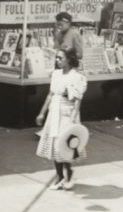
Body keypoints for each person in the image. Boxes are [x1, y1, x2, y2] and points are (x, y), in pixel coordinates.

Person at [35, 48, 87, 190]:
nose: (57, 61)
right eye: (56, 58)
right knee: (53, 144)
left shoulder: (76, 77)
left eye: (60, 58)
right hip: (54, 111)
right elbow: (50, 95)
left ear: (69, 59)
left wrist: (73, 119)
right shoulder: (56, 75)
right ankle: (59, 176)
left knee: (63, 144)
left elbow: (77, 101)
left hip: (67, 112)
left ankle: (68, 172)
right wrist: (42, 113)